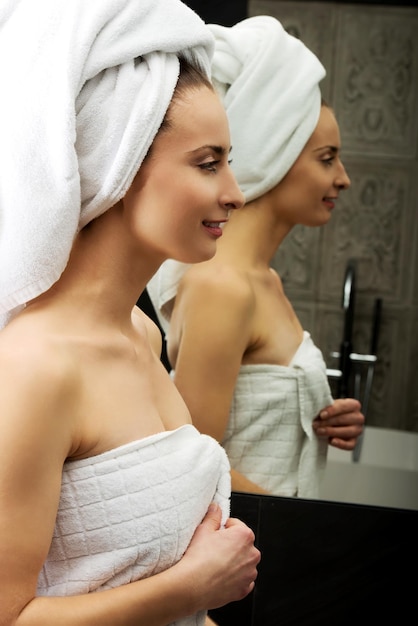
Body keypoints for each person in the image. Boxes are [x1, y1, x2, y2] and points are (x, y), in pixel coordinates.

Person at [0, 2, 260, 625]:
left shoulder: (143, 331)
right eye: (207, 162)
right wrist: (194, 587)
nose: (235, 191)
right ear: (118, 164)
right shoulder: (38, 366)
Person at [147, 15, 365, 498]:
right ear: (276, 154)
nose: (343, 178)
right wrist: (317, 529)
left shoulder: (262, 281)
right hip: (253, 547)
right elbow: (194, 466)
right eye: (327, 158)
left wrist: (321, 420)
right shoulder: (222, 287)